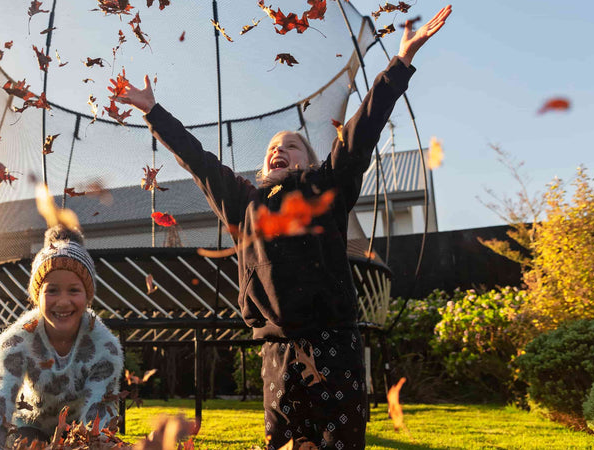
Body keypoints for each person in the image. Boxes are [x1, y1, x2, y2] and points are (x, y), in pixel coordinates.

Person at [116, 6, 452, 449]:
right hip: (278, 347)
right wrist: (154, 112)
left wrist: (400, 62)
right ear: (263, 166)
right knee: (283, 441)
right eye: (274, 147)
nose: (280, 149)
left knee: (338, 440)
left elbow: (360, 132)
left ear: (310, 161)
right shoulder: (245, 203)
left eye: (292, 145)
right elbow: (198, 161)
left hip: (332, 338)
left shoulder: (323, 186)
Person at [0, 225, 124, 449]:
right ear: (36, 296)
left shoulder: (105, 347)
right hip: (29, 426)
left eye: (73, 290)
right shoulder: (18, 340)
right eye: (52, 290)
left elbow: (99, 413)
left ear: (88, 296)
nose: (63, 301)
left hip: (77, 431)